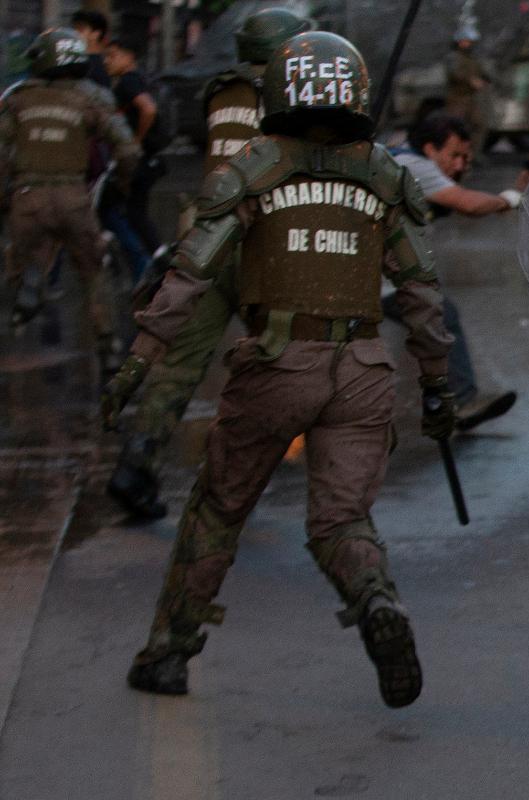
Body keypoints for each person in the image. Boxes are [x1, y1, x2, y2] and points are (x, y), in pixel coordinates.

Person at [102, 31, 452, 708]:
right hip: (363, 369)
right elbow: (423, 295)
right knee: (342, 522)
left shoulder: (254, 168)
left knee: (218, 510)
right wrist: (437, 386)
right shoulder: (384, 173)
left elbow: (189, 277)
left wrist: (136, 363)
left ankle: (169, 654)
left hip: (276, 365)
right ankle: (377, 601)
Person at [105, 7, 312, 521]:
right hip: (259, 240)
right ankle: (253, 470)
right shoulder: (291, 91)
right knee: (290, 356)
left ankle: (137, 463)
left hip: (203, 239)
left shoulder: (222, 90)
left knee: (179, 366)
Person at [0, 28, 138, 368]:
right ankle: (108, 343)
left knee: (17, 263)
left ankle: (29, 288)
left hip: (27, 197)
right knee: (93, 271)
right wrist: (122, 184)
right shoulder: (91, 98)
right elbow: (128, 149)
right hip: (73, 197)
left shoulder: (17, 98)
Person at [392, 111, 520, 431]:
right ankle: (461, 402)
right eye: (454, 156)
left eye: (466, 157)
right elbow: (469, 204)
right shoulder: (415, 165)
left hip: (382, 273)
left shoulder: (400, 157)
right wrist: (508, 200)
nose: (461, 166)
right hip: (380, 278)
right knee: (440, 316)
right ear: (430, 149)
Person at [103, 36, 166, 279]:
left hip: (139, 159)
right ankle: (158, 258)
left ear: (129, 57)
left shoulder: (128, 83)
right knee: (133, 211)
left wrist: (135, 142)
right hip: (149, 159)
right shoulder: (140, 79)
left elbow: (148, 109)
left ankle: (145, 262)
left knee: (112, 208)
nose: (108, 61)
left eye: (113, 55)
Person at [444, 23, 490, 156]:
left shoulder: (471, 58)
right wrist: (471, 80)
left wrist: (486, 79)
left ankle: (471, 154)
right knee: (454, 128)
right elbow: (455, 74)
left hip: (471, 99)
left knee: (478, 125)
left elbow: (481, 72)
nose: (469, 44)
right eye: (466, 41)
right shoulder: (454, 57)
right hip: (458, 99)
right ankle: (451, 154)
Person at [69, 9, 110, 88]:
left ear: (95, 34)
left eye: (80, 30)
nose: (74, 33)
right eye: (73, 29)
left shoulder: (103, 67)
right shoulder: (74, 62)